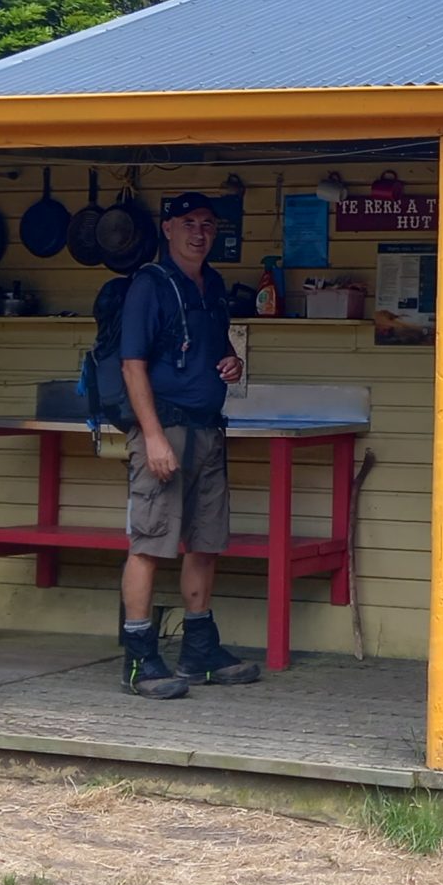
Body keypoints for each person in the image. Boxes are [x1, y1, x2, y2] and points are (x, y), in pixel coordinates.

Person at [116, 191, 261, 697]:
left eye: (208, 224)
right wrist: (153, 436)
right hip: (166, 429)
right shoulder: (149, 286)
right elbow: (132, 365)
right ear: (168, 228)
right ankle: (139, 659)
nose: (200, 232)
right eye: (189, 223)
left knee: (206, 540)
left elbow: (215, 350)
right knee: (151, 542)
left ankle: (199, 651)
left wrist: (231, 364)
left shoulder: (213, 285)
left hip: (208, 427)